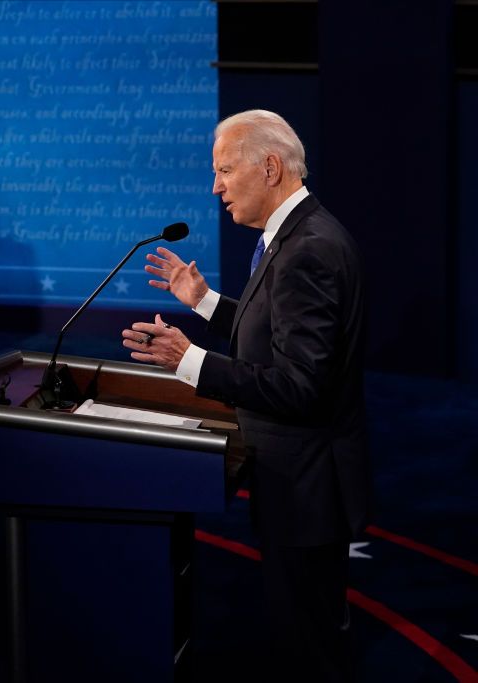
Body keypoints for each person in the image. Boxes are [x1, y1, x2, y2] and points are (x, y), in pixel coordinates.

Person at [121, 110, 371, 681]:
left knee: (310, 648)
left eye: (224, 170)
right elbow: (277, 334)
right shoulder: (298, 234)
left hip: (306, 487)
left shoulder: (308, 250)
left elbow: (300, 385)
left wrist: (190, 362)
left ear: (270, 166)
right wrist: (207, 303)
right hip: (298, 481)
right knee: (302, 635)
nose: (216, 187)